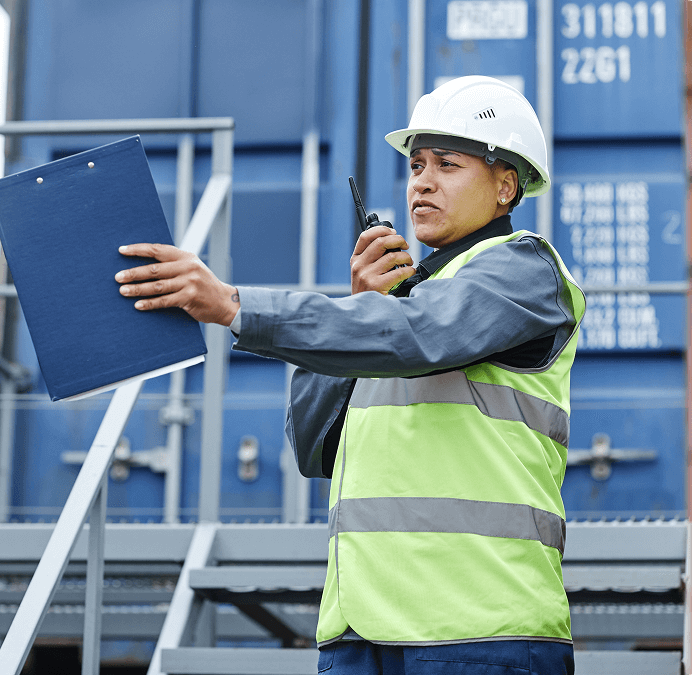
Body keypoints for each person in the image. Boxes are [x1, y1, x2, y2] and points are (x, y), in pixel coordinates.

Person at [115, 76, 584, 675]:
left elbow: (422, 335)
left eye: (448, 163)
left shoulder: (526, 271)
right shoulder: (394, 311)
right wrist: (361, 300)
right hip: (360, 631)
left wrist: (236, 306)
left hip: (480, 630)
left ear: (505, 184)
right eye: (416, 164)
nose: (423, 180)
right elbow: (312, 447)